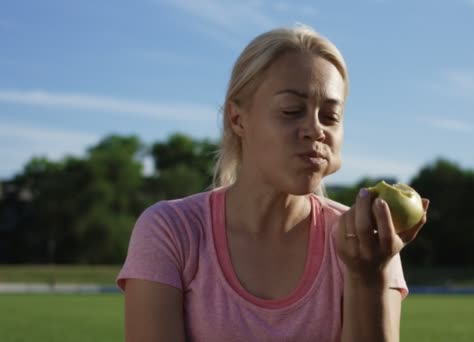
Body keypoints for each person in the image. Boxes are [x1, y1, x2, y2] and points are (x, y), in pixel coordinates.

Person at [116, 25, 429, 342]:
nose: (315, 130)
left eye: (330, 116)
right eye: (292, 111)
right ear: (237, 119)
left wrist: (368, 278)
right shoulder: (171, 230)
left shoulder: (367, 245)